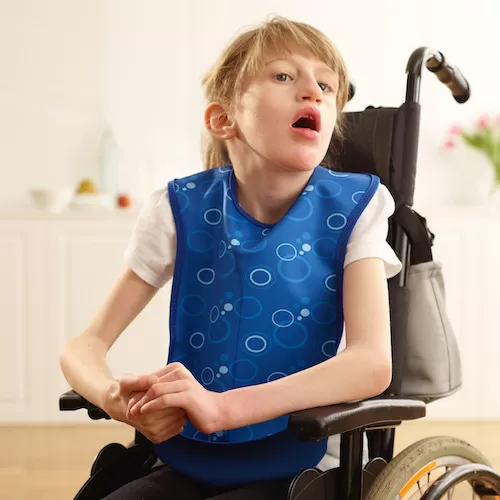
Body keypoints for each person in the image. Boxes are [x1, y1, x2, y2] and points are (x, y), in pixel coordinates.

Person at [60, 15, 402, 500]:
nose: (313, 91)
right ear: (224, 119)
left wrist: (222, 409)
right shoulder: (179, 209)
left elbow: (371, 363)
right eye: (284, 76)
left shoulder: (357, 208)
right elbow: (83, 347)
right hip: (189, 455)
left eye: (326, 84)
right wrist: (116, 398)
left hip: (302, 461)